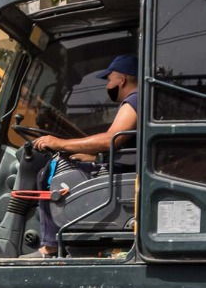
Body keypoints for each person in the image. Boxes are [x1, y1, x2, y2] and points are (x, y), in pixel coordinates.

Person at [30, 54, 140, 256]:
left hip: (123, 173)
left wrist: (60, 143)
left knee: (51, 171)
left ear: (121, 79)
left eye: (109, 78)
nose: (108, 84)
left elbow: (112, 140)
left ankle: (51, 245)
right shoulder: (141, 100)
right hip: (123, 167)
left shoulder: (135, 99)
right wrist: (94, 158)